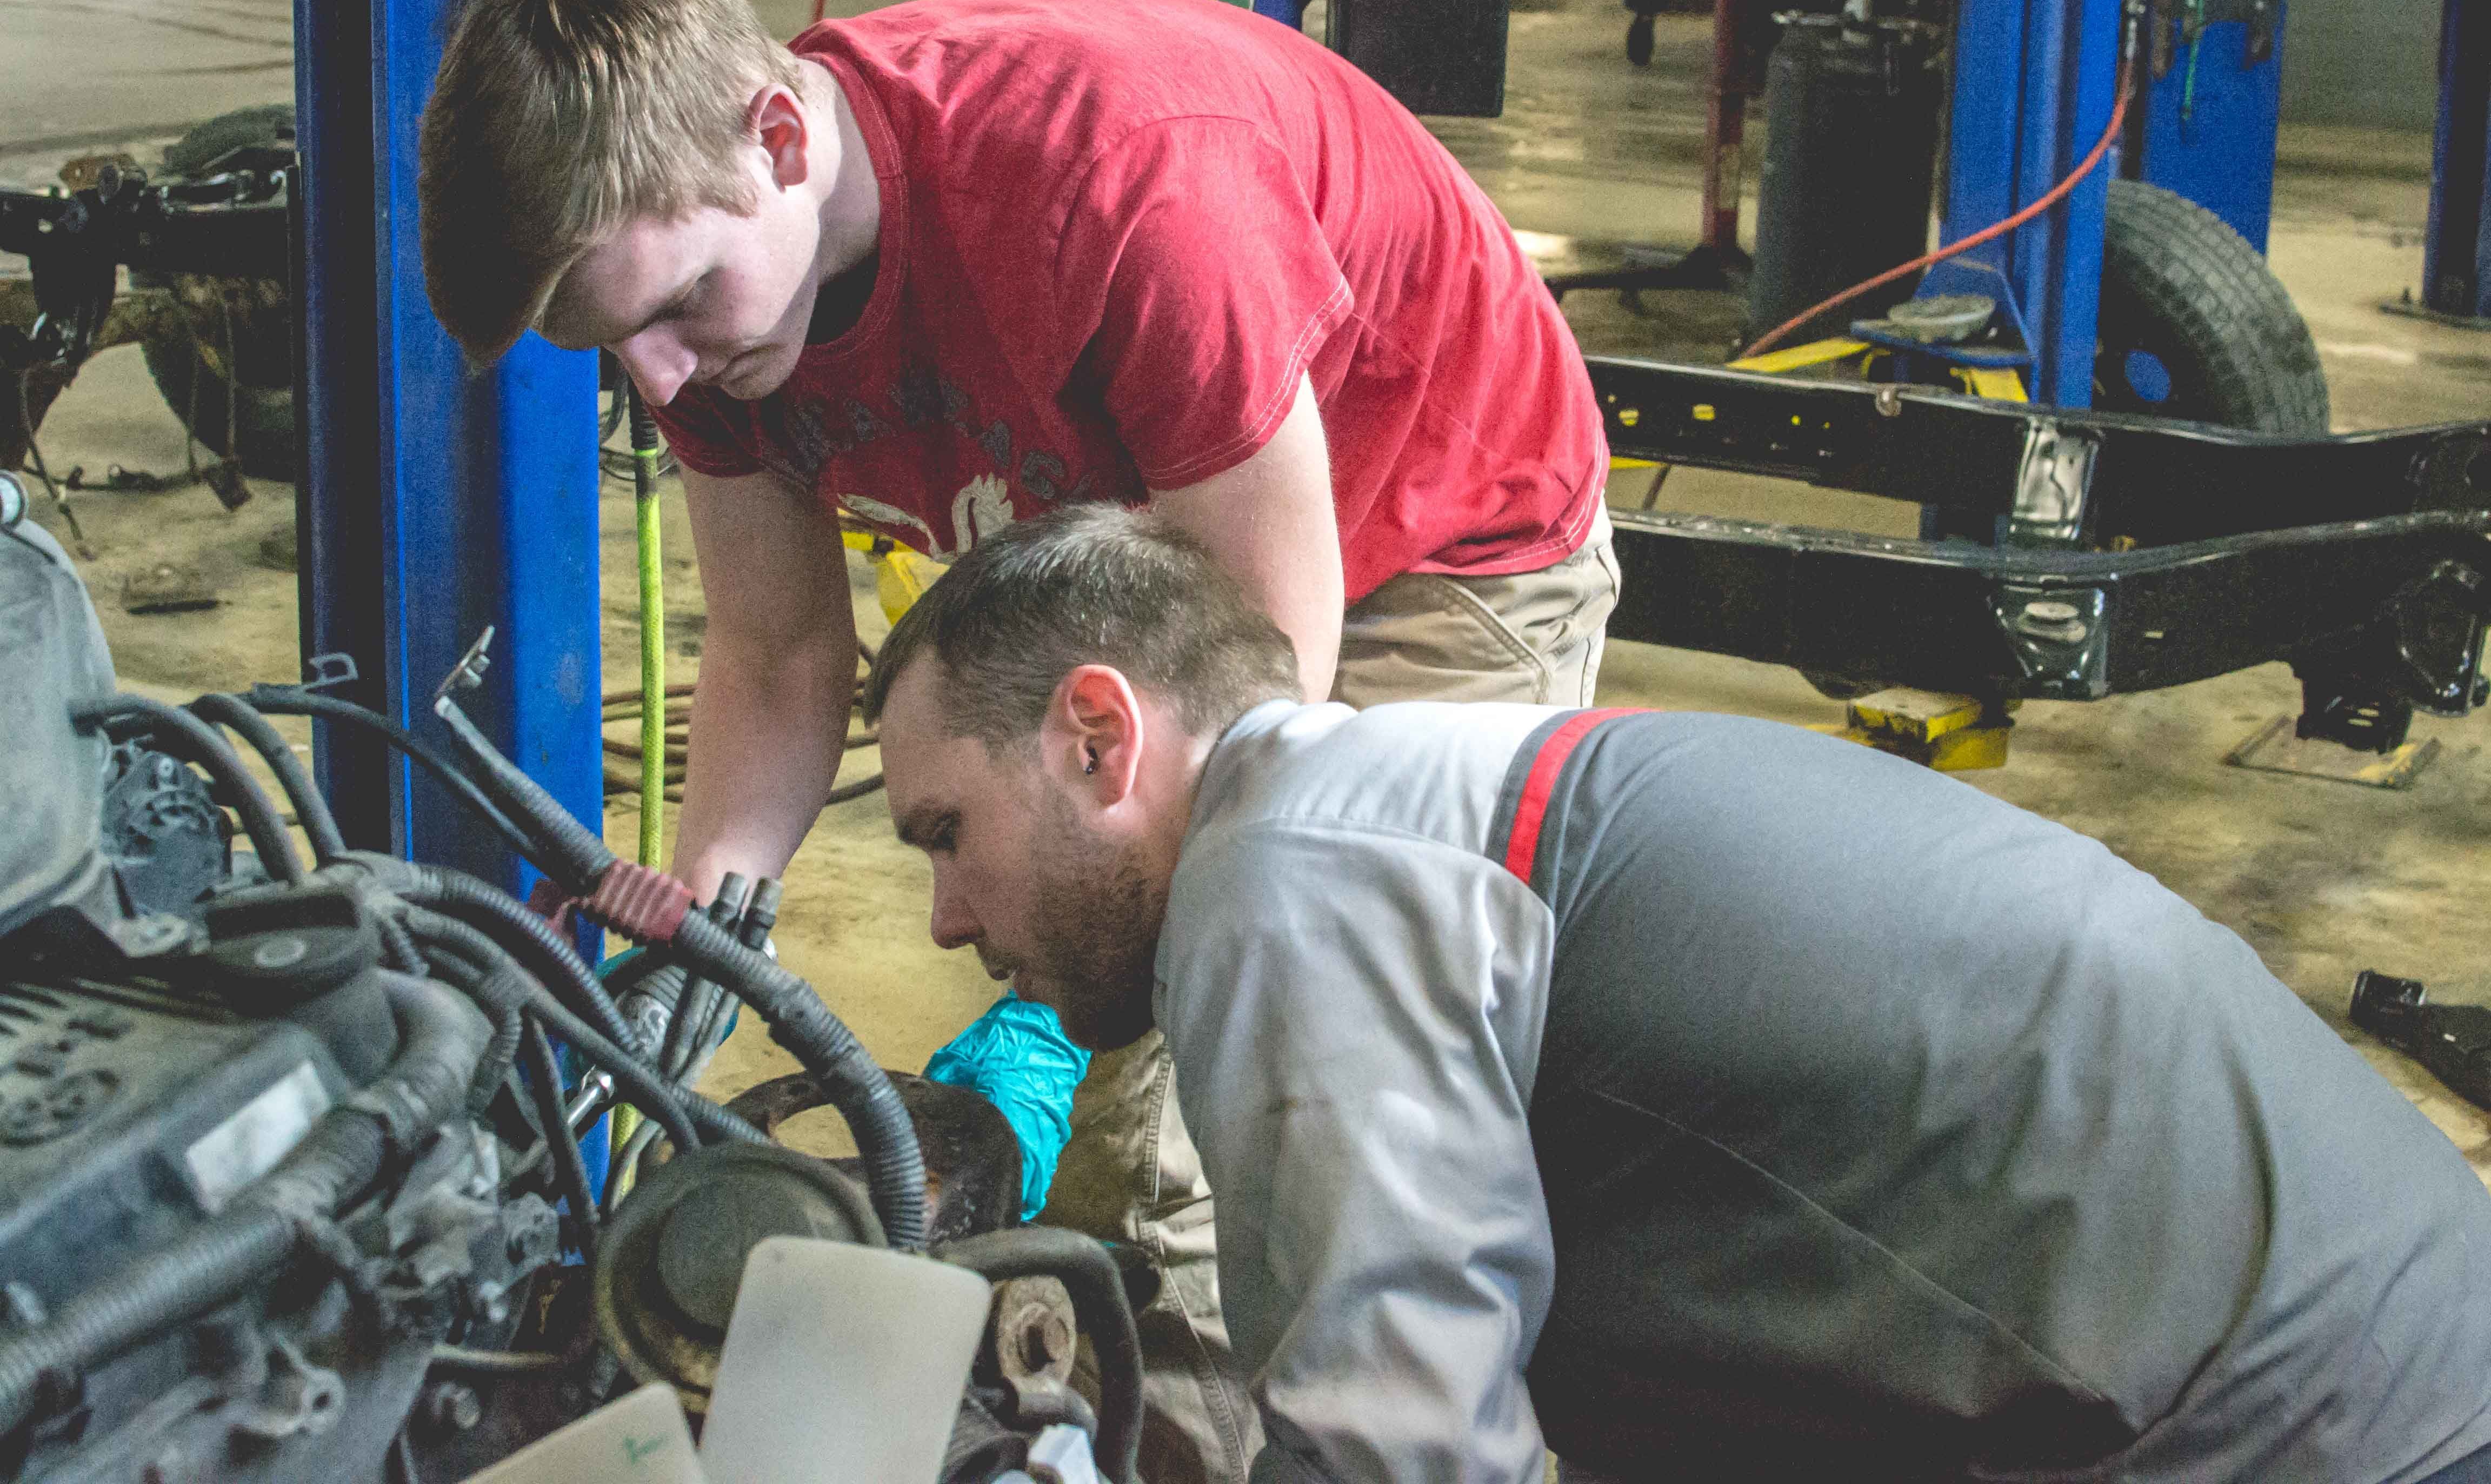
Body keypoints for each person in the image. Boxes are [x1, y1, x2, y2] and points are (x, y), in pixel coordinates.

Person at [416, 0, 1614, 1481]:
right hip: (1138, 563)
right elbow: (782, 658)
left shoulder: (1113, 183)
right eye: (614, 345)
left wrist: (1113, 998)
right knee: (1135, 1083)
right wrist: (708, 928)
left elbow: (1253, 704)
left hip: (1428, 542)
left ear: (778, 140)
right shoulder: (715, 333)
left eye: (683, 305)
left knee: (1260, 1133)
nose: (663, 377)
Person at [860, 502, 2491, 1484]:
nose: (939, 919)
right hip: (2339, 1328)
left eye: (949, 833)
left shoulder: (1293, 886)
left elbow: (1403, 1453)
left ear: (1098, 736)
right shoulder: (1401, 800)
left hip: (2304, 1417)